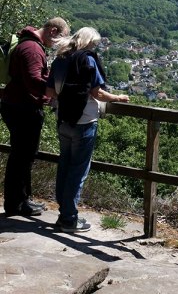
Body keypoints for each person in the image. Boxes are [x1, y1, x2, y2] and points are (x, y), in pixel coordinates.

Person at [46, 27, 129, 233]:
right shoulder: (87, 59)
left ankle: (63, 214)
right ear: (89, 42)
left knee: (64, 166)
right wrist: (117, 98)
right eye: (94, 44)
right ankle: (69, 219)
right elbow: (97, 92)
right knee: (78, 171)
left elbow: (49, 91)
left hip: (63, 119)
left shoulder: (60, 59)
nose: (95, 48)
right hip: (84, 122)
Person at [1, 17, 70, 217]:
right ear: (53, 30)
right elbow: (33, 79)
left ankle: (21, 200)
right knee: (22, 157)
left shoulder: (27, 43)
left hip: (14, 104)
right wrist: (54, 91)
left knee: (20, 156)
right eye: (60, 39)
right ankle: (18, 203)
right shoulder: (33, 49)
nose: (58, 44)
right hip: (23, 108)